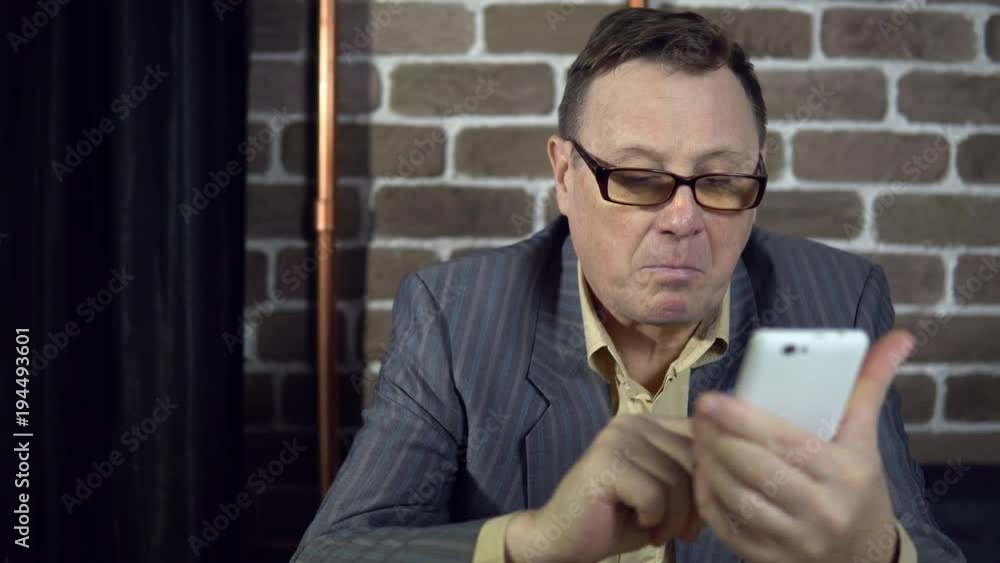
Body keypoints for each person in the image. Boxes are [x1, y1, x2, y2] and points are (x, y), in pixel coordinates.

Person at [293, 8, 964, 563]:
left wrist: (878, 552)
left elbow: (922, 547)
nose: (682, 220)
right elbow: (332, 552)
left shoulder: (835, 299)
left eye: (721, 179)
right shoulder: (455, 314)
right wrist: (534, 541)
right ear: (564, 175)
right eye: (639, 178)